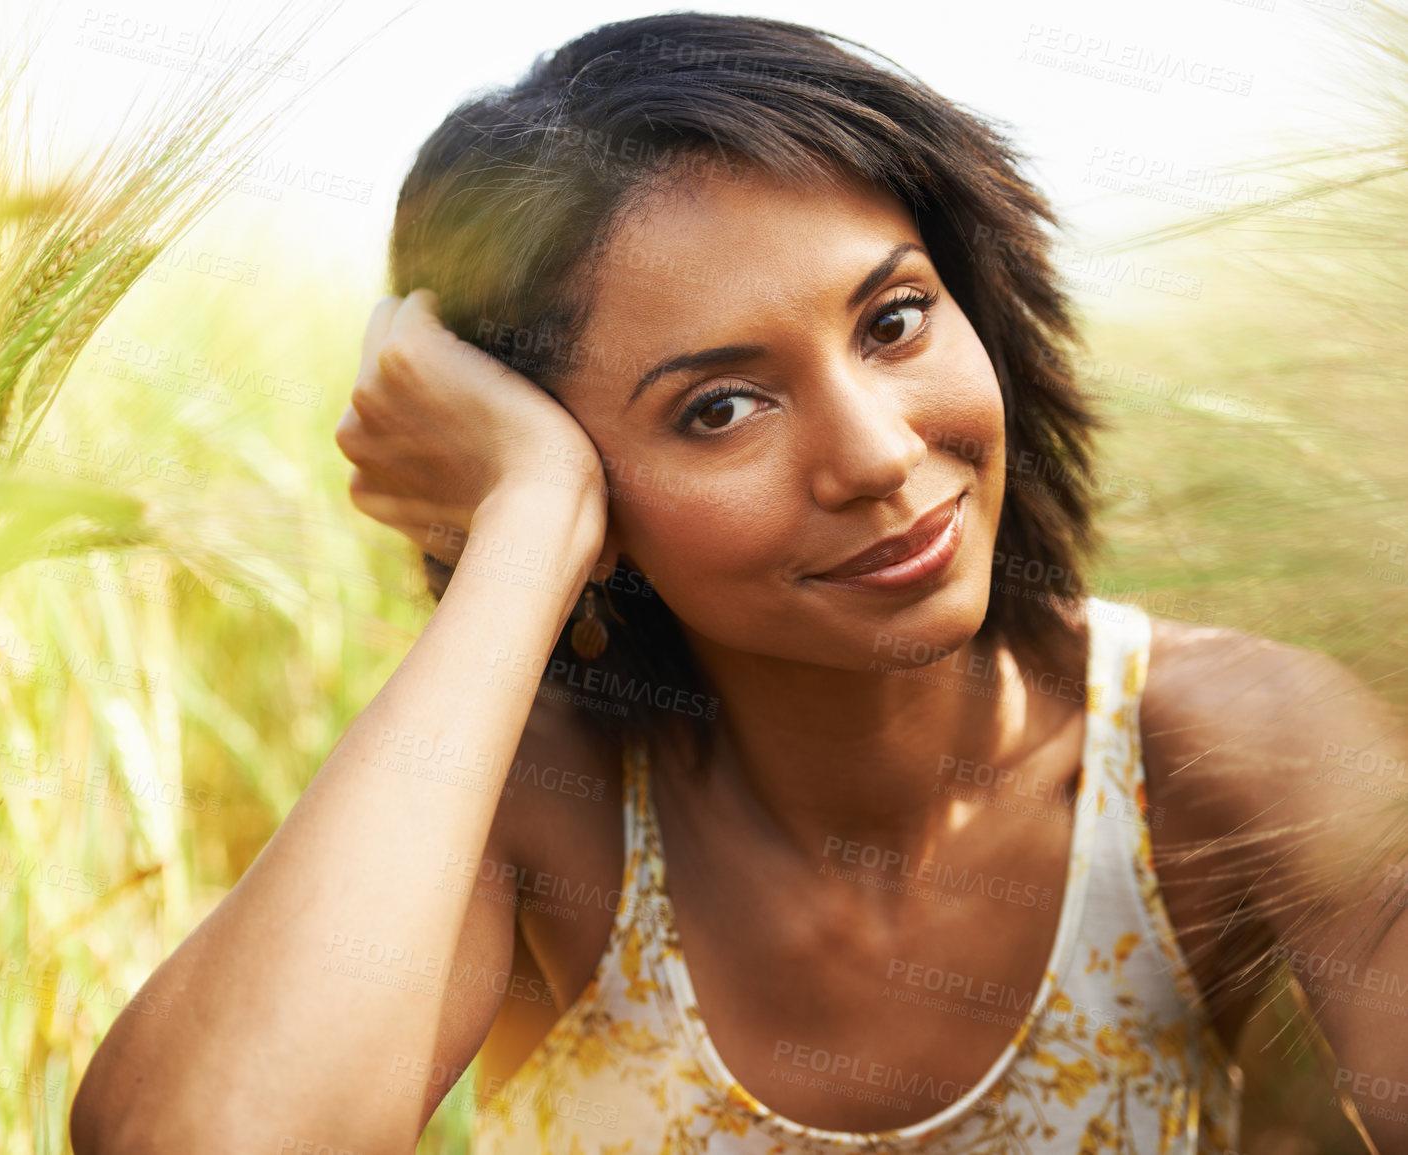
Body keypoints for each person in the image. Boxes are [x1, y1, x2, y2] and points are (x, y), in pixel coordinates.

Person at [69, 13, 1408, 1153]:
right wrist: (529, 524)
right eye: (719, 409)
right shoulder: (546, 813)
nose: (880, 456)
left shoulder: (1222, 748)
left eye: (894, 321)